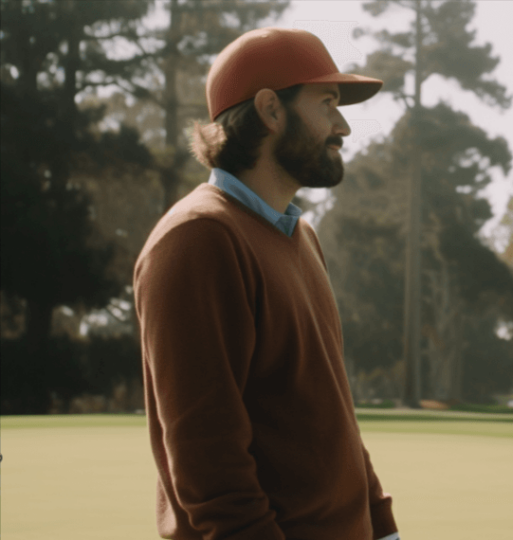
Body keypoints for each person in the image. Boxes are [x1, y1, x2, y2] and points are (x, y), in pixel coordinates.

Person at [134, 28, 400, 540]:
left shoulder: (300, 236)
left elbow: (333, 416)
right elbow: (208, 462)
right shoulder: (198, 240)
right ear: (271, 111)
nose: (343, 125)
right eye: (327, 103)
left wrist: (382, 527)